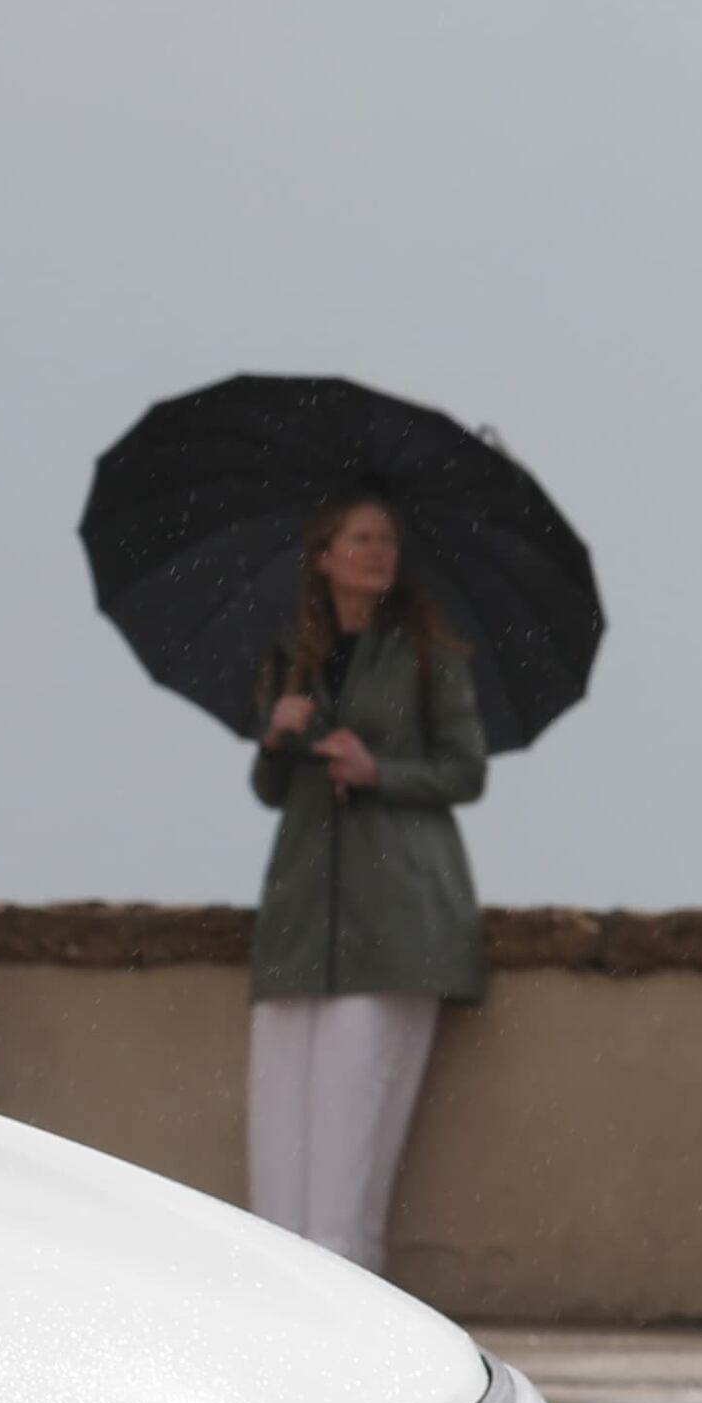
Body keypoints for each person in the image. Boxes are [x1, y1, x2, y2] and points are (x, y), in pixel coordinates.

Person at [246, 493, 488, 1272]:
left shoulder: (427, 655)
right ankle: (277, 1290)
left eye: (388, 539)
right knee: (281, 1135)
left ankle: (356, 1309)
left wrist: (376, 769)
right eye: (361, 539)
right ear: (324, 556)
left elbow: (465, 770)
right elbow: (271, 789)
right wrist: (279, 739)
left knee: (355, 1139)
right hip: (303, 914)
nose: (379, 552)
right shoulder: (292, 656)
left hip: (397, 915)